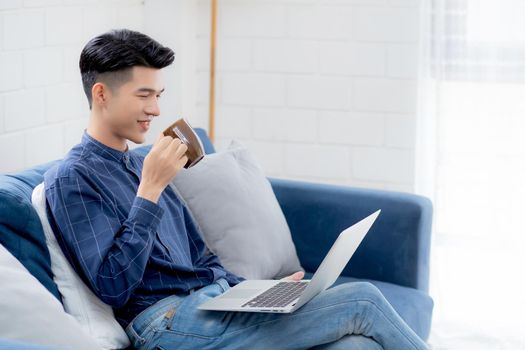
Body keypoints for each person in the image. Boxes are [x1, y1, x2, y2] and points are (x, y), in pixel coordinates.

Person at [44, 29, 428, 350]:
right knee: (362, 300)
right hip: (161, 323)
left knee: (357, 343)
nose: (156, 110)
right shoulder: (74, 178)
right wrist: (150, 191)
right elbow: (114, 286)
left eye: (159, 96)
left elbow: (202, 259)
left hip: (210, 303)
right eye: (144, 95)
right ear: (101, 94)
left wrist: (260, 292)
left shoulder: (143, 163)